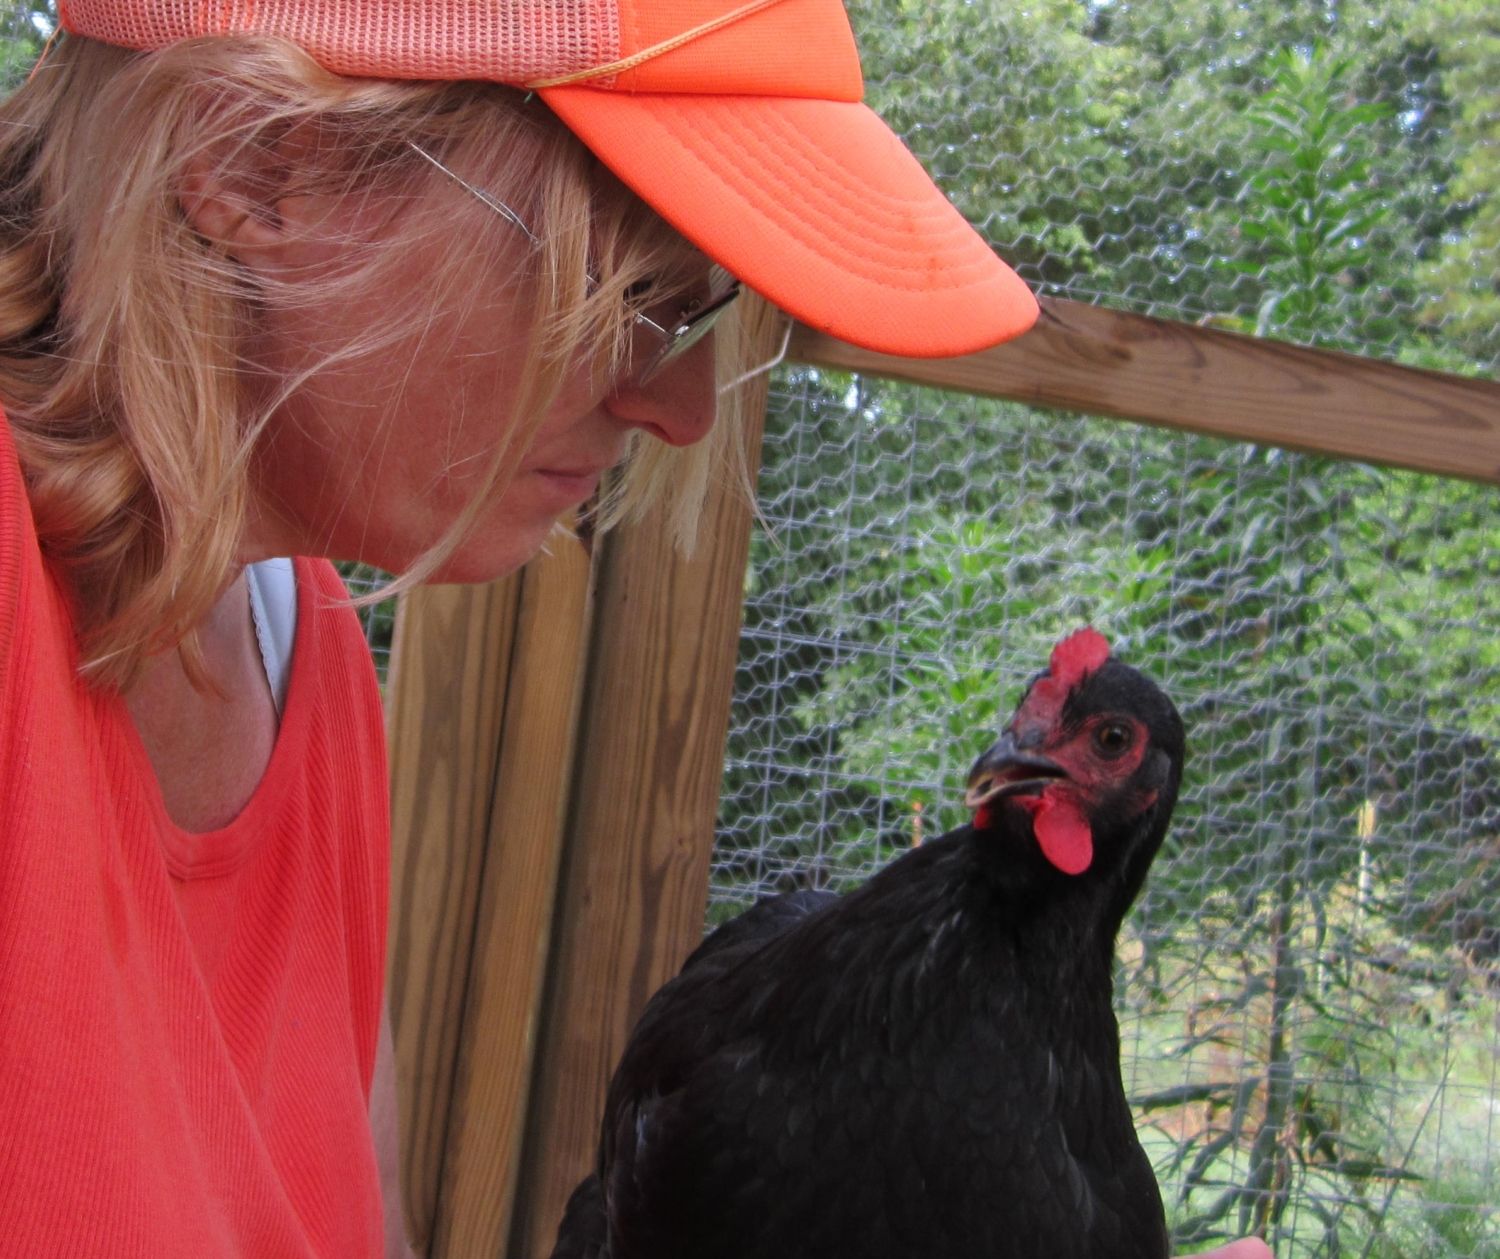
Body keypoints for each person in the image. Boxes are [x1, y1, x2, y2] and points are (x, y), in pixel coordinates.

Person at [0, 2, 1272, 1257]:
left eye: (699, 311)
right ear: (255, 163)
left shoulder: (299, 639)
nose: (683, 404)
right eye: (629, 287)